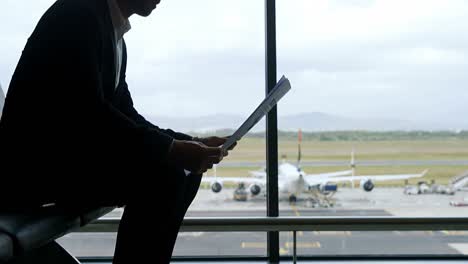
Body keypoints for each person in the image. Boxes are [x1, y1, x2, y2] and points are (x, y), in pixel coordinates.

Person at [0, 0, 235, 263]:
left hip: (63, 161)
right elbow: (89, 114)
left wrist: (187, 142)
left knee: (183, 169)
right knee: (167, 171)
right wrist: (172, 149)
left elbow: (125, 115)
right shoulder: (79, 15)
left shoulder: (107, 29)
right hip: (34, 170)